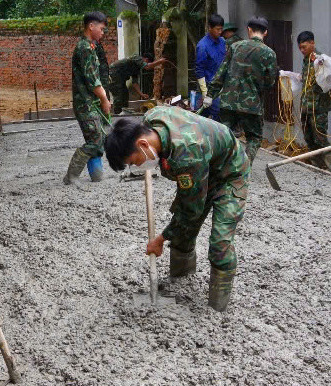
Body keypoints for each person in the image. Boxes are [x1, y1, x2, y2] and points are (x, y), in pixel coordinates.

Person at [104, 106, 249, 311]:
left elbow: (191, 211)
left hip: (229, 173)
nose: (136, 167)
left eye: (134, 162)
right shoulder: (151, 120)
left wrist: (160, 239)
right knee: (182, 233)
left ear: (143, 143)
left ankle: (217, 309)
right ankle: (181, 281)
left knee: (220, 242)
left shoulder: (187, 155)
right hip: (203, 165)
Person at [207, 16, 278, 164]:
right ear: (265, 33)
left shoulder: (235, 46)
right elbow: (270, 82)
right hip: (252, 105)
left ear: (249, 30)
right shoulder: (269, 53)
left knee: (225, 134)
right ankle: (244, 166)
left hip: (228, 102)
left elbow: (221, 72)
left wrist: (210, 95)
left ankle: (218, 164)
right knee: (254, 137)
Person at [64, 12, 112, 184]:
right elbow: (93, 80)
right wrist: (105, 100)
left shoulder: (91, 46)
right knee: (95, 139)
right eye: (101, 29)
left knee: (99, 137)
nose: (103, 33)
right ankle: (71, 176)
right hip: (86, 103)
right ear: (91, 26)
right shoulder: (85, 48)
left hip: (91, 102)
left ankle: (96, 175)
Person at [297, 31, 331, 171]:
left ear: (312, 43)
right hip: (306, 106)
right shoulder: (306, 59)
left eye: (304, 47)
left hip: (319, 107)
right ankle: (316, 166)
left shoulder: (321, 60)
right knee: (309, 138)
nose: (302, 50)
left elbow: (326, 81)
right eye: (300, 48)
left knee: (321, 138)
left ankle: (329, 169)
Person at [195, 14, 226, 120]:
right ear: (210, 28)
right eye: (217, 29)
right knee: (217, 114)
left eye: (221, 29)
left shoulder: (222, 42)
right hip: (209, 87)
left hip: (221, 86)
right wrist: (204, 92)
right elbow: (199, 70)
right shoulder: (202, 46)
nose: (220, 32)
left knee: (207, 114)